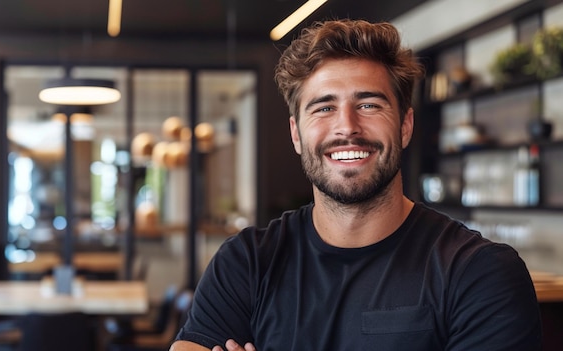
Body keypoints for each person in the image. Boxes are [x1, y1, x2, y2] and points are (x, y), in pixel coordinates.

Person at [170, 19, 542, 351]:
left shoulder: (479, 273)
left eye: (368, 105)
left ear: (405, 125)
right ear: (296, 135)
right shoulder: (246, 262)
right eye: (324, 107)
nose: (347, 127)